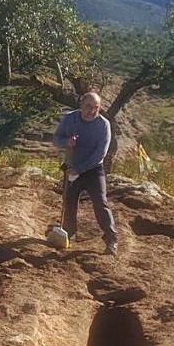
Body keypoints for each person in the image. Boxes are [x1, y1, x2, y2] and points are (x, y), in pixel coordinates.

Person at [53, 91, 119, 255]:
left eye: (96, 107)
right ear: (81, 104)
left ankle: (112, 239)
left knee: (100, 202)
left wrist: (79, 170)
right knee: (69, 202)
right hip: (71, 165)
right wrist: (66, 142)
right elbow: (56, 139)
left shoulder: (104, 125)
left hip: (93, 169)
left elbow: (100, 154)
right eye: (88, 106)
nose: (92, 111)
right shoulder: (70, 119)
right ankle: (69, 233)